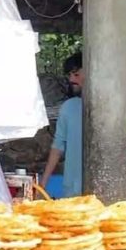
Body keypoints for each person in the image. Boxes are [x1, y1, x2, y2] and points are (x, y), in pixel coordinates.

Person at [43, 52, 84, 198]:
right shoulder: (68, 107)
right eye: (70, 75)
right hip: (72, 191)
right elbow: (57, 146)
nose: (71, 79)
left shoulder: (110, 108)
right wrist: (43, 184)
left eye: (76, 74)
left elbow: (124, 145)